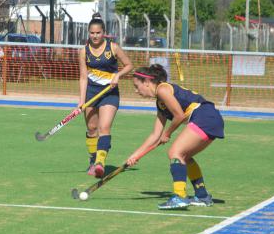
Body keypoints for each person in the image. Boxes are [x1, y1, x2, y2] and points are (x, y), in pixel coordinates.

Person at [127, 64, 224, 210]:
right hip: (210, 118)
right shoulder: (160, 103)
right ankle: (202, 196)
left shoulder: (163, 89)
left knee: (175, 153)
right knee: (184, 157)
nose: (136, 91)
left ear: (147, 82)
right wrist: (135, 155)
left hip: (204, 116)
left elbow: (179, 115)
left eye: (137, 86)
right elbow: (155, 135)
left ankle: (180, 196)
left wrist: (167, 133)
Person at [79, 13, 133, 178]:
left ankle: (100, 163)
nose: (95, 36)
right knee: (92, 129)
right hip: (92, 93)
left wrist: (118, 75)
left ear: (103, 32)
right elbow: (83, 77)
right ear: (89, 33)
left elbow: (129, 65)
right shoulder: (84, 52)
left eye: (98, 33)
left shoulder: (113, 47)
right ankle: (93, 159)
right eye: (92, 33)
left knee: (104, 127)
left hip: (110, 93)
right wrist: (81, 101)